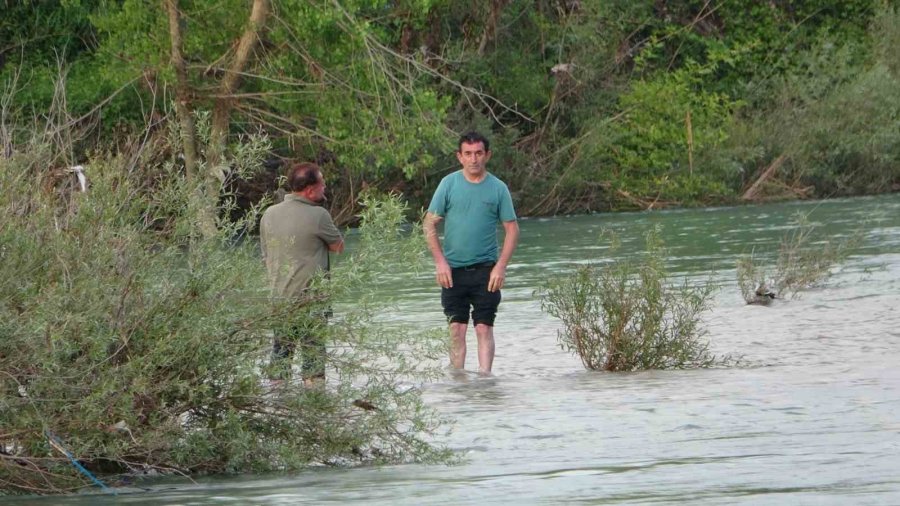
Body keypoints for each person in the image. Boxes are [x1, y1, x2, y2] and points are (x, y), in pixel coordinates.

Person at [424, 131, 519, 374]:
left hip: (486, 270)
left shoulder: (498, 188)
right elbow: (428, 224)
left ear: (487, 155)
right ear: (460, 156)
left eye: (478, 153)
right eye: (468, 154)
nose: (473, 159)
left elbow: (512, 229)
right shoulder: (448, 184)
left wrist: (501, 266)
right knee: (456, 329)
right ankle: (458, 384)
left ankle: (485, 381)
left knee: (483, 328)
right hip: (452, 271)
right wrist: (440, 262)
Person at [260, 162, 344, 385]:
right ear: (310, 189)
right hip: (311, 301)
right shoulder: (319, 215)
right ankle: (315, 401)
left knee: (279, 363)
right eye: (322, 183)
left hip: (280, 301)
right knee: (313, 369)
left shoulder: (269, 214)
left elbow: (265, 254)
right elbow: (338, 247)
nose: (325, 187)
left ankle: (277, 402)